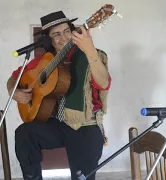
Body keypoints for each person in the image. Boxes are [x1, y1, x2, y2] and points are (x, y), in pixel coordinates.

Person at [7, 11, 111, 180]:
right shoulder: (44, 61)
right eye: (56, 34)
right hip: (58, 124)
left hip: (84, 125)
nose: (64, 38)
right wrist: (14, 91)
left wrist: (90, 51)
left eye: (67, 32)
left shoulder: (90, 54)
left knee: (81, 176)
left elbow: (104, 83)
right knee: (25, 133)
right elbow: (15, 77)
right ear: (48, 40)